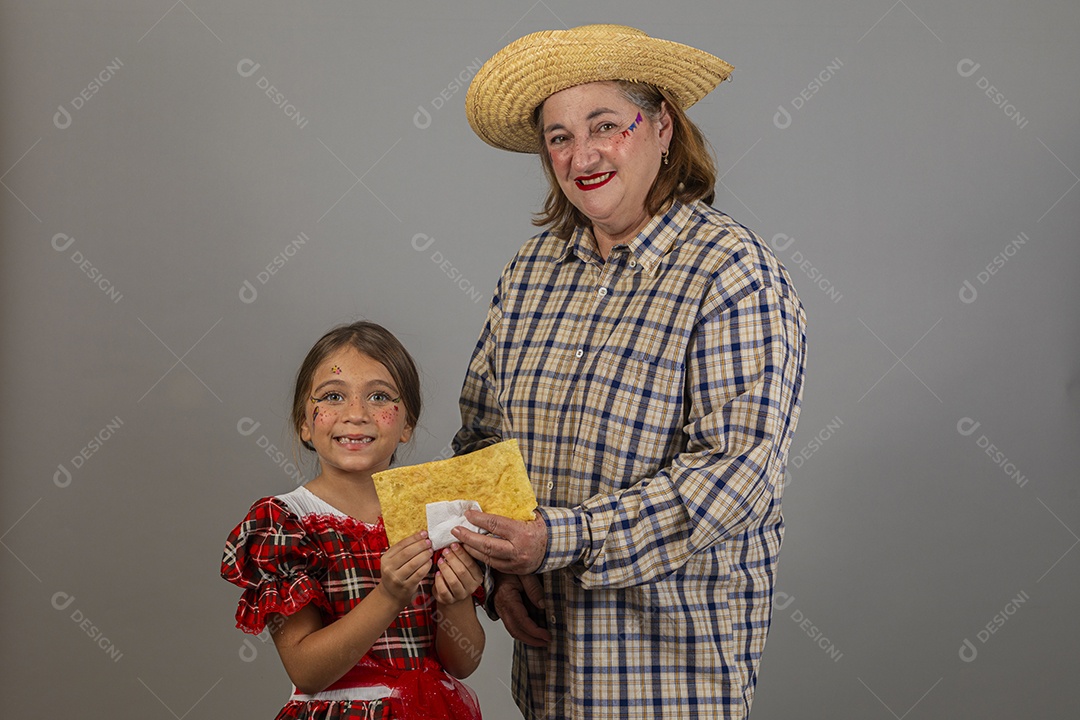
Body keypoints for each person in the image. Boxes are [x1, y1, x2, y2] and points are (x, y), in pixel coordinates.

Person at [450, 24, 807, 720]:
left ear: (663, 127)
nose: (582, 155)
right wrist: (501, 569)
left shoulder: (732, 274)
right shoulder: (529, 273)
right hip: (548, 680)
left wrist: (557, 542)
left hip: (668, 683)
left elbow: (733, 475)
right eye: (559, 137)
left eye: (605, 125)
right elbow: (483, 439)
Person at [221, 321, 485, 720]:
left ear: (407, 423)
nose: (357, 414)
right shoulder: (285, 524)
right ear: (305, 423)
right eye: (333, 396)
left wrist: (455, 600)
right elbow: (307, 671)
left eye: (379, 397)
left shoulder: (435, 516)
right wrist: (389, 596)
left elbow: (463, 663)